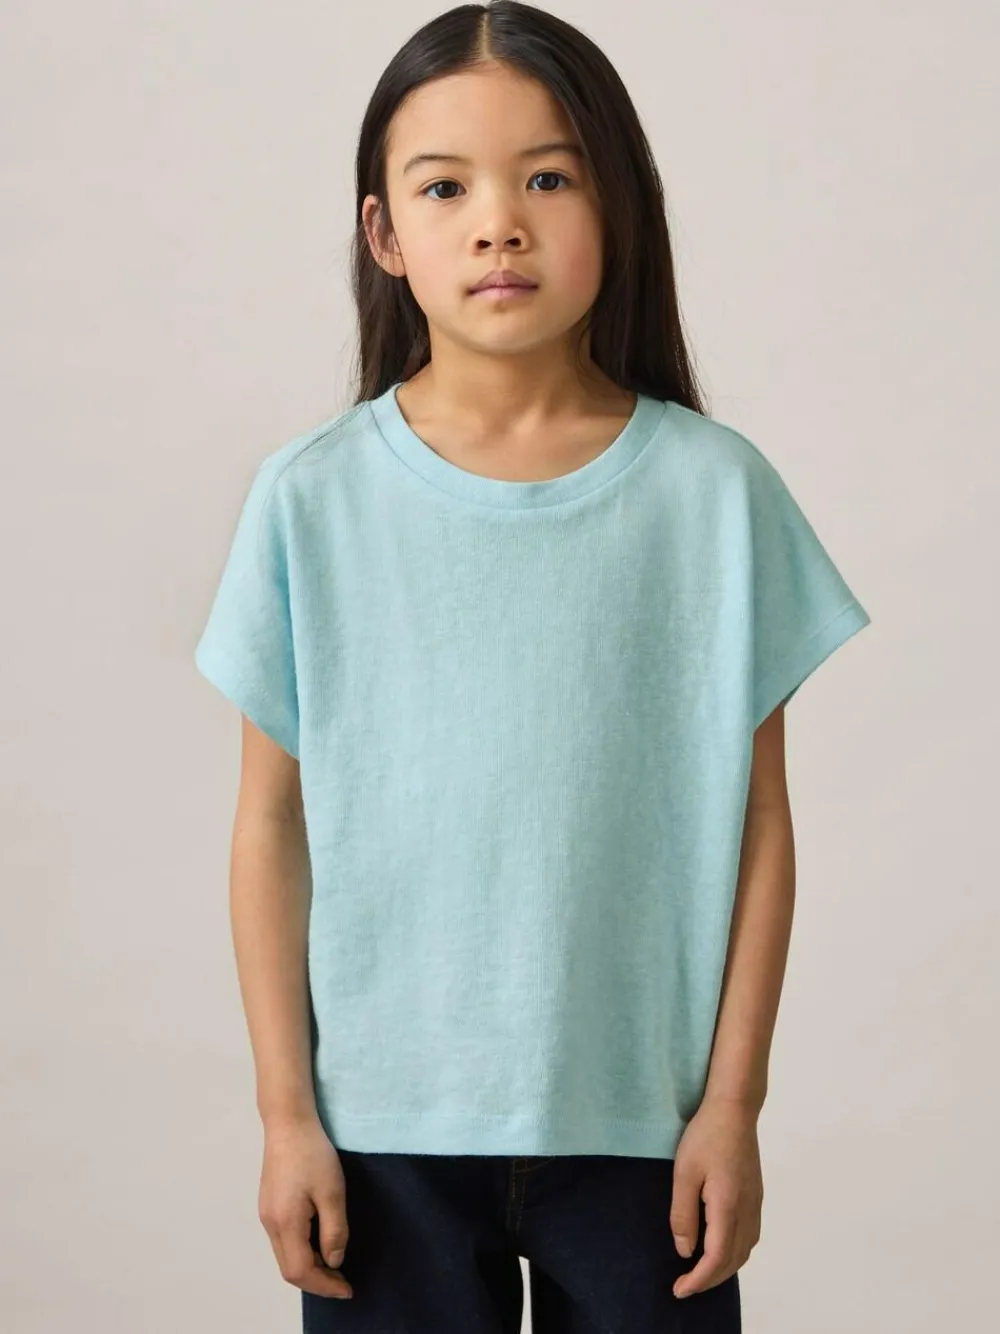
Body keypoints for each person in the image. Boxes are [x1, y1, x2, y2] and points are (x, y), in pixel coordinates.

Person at [193, 3, 872, 1330]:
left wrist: (732, 1105)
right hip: (382, 1137)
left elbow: (759, 823)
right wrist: (287, 1116)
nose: (499, 224)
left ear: (617, 208)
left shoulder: (713, 497)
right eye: (446, 187)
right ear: (384, 233)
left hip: (646, 1135)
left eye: (549, 180)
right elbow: (270, 825)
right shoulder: (310, 503)